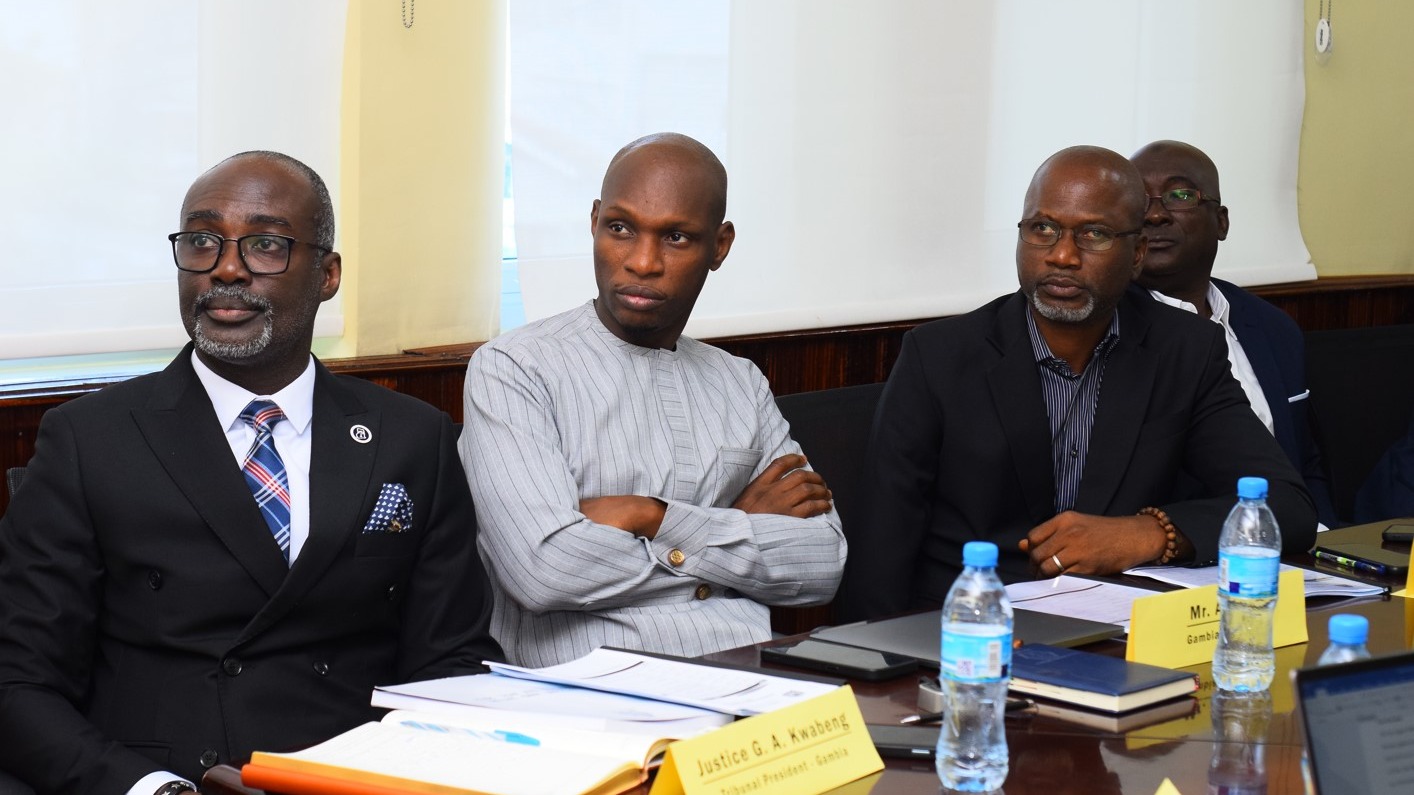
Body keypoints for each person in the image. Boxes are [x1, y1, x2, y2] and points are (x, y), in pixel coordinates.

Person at [0, 152, 502, 795]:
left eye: (265, 244)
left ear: (327, 274)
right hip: (167, 776)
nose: (227, 268)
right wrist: (157, 789)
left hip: (353, 773)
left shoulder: (413, 437)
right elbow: (18, 684)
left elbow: (450, 662)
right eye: (203, 241)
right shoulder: (91, 439)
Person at [838, 145, 1316, 622]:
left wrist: (1151, 534)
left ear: (1137, 255)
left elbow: (1287, 507)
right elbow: (882, 548)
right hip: (968, 632)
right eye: (1042, 229)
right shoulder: (940, 356)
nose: (1062, 256)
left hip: (1116, 631)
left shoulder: (1184, 352)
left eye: (1095, 234)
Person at [460, 132, 846, 666]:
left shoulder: (741, 382)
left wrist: (649, 516)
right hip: (588, 696)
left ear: (720, 246)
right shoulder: (516, 370)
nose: (642, 262)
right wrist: (736, 523)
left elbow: (822, 563)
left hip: (753, 676)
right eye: (620, 228)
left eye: (677, 238)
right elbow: (543, 571)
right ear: (595, 221)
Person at [1131, 140, 1337, 527]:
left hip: (1294, 547)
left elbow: (1304, 462)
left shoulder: (1274, 328)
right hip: (1173, 554)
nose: (1155, 215)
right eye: (1139, 202)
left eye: (1180, 194)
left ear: (1221, 222)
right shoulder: (1108, 333)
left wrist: (1323, 538)